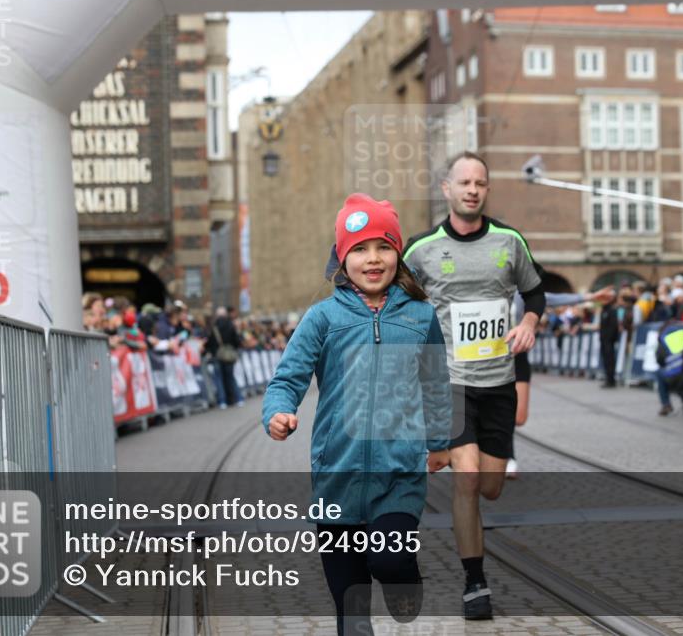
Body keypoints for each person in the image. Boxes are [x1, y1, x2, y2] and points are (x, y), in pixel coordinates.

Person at [263, 194, 452, 636]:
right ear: (342, 257)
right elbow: (287, 378)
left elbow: (437, 384)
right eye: (360, 249)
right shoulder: (322, 318)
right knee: (351, 613)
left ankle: (404, 578)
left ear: (398, 254)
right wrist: (278, 413)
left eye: (384, 247)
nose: (373, 259)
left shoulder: (421, 317)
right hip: (336, 473)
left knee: (390, 560)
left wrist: (441, 442)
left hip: (399, 474)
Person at [403, 152, 545, 620]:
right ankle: (474, 582)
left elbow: (535, 290)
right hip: (451, 384)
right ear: (446, 188)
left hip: (499, 382)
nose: (472, 189)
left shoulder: (509, 240)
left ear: (486, 189)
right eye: (463, 181)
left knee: (490, 487)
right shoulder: (421, 249)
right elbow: (393, 296)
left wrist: (528, 320)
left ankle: (474, 569)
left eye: (480, 182)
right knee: (466, 480)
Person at [506, 284, 614, 479]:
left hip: (516, 357)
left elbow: (553, 298)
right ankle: (507, 456)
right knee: (497, 410)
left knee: (518, 417)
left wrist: (591, 296)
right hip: (489, 362)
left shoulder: (519, 294)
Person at [653, 317, 683, 416]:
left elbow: (660, 359)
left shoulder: (664, 335)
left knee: (660, 373)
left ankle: (666, 404)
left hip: (674, 373)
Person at [206, 306, 244, 408]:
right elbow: (237, 341)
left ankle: (222, 401)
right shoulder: (231, 325)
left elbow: (210, 342)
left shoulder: (214, 327)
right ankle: (238, 398)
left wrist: (211, 350)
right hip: (229, 355)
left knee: (219, 379)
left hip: (217, 356)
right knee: (231, 377)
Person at [598, 289, 621, 389]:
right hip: (603, 339)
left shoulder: (612, 310)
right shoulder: (604, 310)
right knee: (606, 359)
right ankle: (608, 378)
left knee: (610, 359)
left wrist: (610, 338)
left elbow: (613, 326)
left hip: (609, 340)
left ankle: (611, 380)